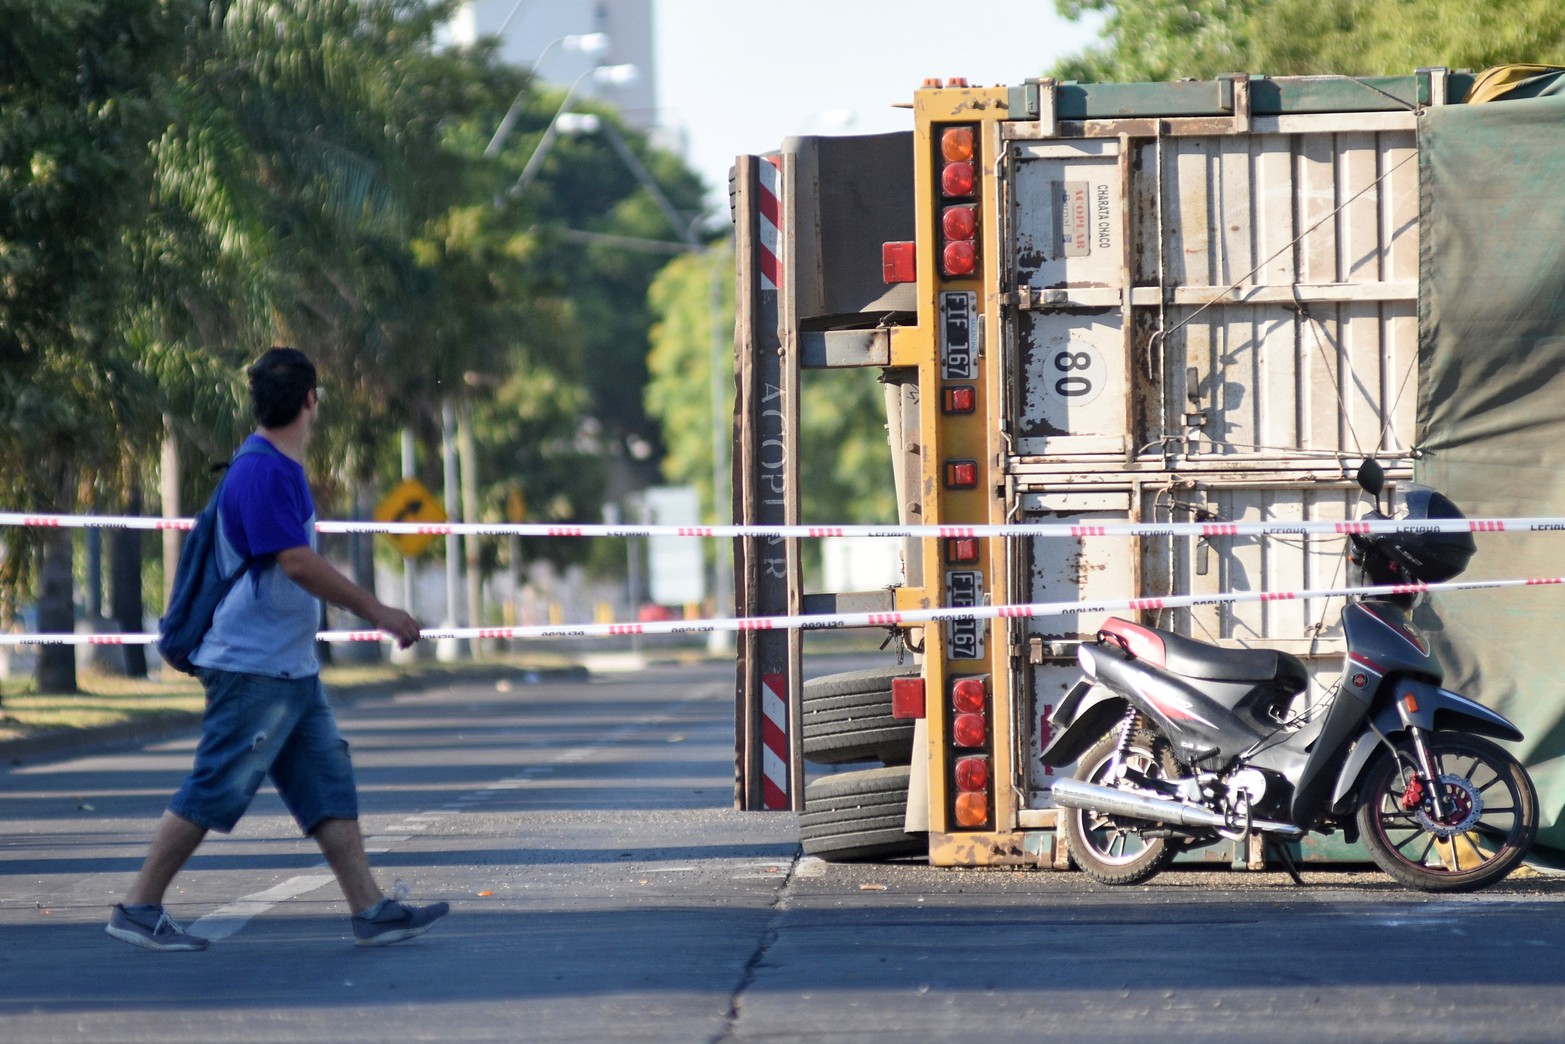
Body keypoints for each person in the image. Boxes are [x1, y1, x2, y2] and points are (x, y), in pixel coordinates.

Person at [107, 346, 448, 951]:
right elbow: (296, 563)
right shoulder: (261, 473)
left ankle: (370, 909)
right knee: (217, 784)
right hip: (251, 667)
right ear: (311, 401)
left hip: (287, 667)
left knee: (326, 783)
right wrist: (379, 612)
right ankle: (138, 906)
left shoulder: (276, 468)